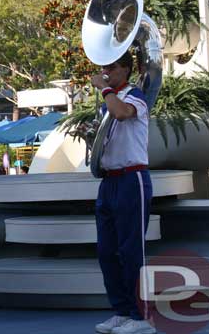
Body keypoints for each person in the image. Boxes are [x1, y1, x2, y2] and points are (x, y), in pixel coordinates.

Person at [90, 52, 154, 334]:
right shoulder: (108, 102)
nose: (106, 71)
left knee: (131, 251)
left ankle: (141, 317)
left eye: (112, 67)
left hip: (132, 178)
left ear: (126, 70)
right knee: (107, 251)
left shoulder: (134, 95)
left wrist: (104, 89)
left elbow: (123, 113)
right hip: (109, 181)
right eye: (104, 67)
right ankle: (122, 310)